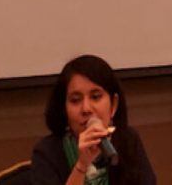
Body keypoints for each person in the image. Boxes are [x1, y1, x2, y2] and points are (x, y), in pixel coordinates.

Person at [31, 55, 156, 185]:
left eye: (95, 97)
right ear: (64, 108)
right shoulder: (47, 152)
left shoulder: (129, 140)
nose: (86, 109)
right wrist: (82, 165)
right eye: (75, 100)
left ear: (113, 105)